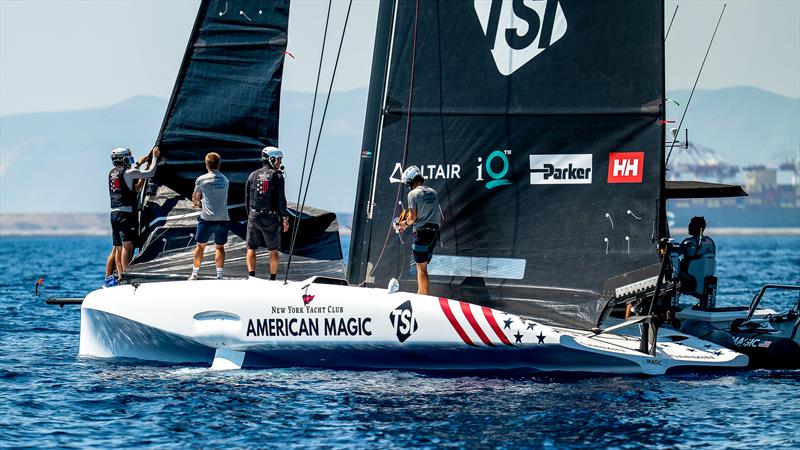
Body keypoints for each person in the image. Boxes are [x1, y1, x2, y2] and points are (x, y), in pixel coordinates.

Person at [105, 146, 160, 285]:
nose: (130, 160)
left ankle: (119, 276)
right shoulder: (129, 172)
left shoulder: (112, 172)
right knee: (127, 246)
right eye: (128, 158)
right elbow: (151, 172)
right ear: (123, 159)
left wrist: (139, 164)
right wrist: (155, 157)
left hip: (114, 213)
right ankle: (126, 274)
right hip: (125, 214)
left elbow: (133, 187)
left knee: (117, 247)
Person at [245, 146, 289, 280]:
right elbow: (281, 200)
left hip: (254, 215)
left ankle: (251, 277)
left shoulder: (252, 175)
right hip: (270, 217)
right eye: (279, 160)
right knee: (273, 249)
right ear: (272, 159)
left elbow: (247, 198)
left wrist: (250, 215)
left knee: (251, 247)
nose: (280, 163)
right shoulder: (277, 176)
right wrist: (285, 218)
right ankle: (273, 279)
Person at [396, 166, 440, 295]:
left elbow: (412, 218)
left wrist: (403, 223)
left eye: (408, 184)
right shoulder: (433, 192)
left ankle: (423, 296)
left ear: (411, 182)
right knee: (423, 266)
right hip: (434, 233)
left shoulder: (412, 194)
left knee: (421, 267)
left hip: (422, 233)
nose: (408, 187)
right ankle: (420, 293)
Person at [188, 152, 230, 280]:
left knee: (200, 246)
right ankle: (220, 276)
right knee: (220, 247)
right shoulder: (225, 180)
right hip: (223, 218)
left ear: (206, 164)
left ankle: (194, 274)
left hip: (207, 219)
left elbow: (195, 200)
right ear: (219, 163)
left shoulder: (201, 179)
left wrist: (198, 202)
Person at [676, 216, 717, 308]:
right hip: (706, 282)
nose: (688, 226)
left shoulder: (688, 242)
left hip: (690, 283)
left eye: (691, 225)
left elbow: (675, 255)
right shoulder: (711, 242)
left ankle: (671, 306)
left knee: (671, 278)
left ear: (697, 227)